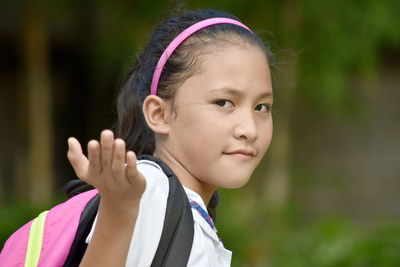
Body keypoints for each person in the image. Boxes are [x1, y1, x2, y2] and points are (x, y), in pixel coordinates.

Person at [67, 8, 274, 266]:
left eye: (261, 107)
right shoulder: (150, 191)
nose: (250, 129)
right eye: (223, 102)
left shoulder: (186, 210)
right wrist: (119, 211)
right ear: (159, 114)